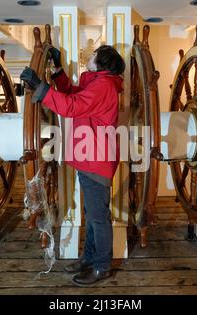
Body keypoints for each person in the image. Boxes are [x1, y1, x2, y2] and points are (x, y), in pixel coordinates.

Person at [20, 45, 125, 286]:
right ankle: (89, 259)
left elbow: (70, 107)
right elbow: (73, 94)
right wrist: (57, 72)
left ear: (102, 63)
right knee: (91, 216)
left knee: (98, 218)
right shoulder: (98, 83)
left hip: (96, 161)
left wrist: (40, 86)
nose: (90, 57)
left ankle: (101, 266)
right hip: (89, 158)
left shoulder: (103, 86)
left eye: (95, 55)